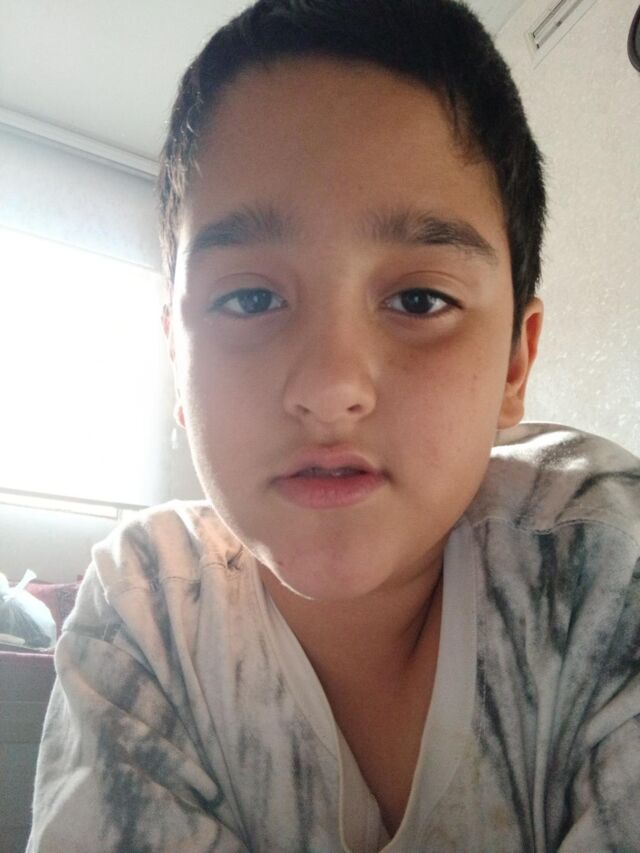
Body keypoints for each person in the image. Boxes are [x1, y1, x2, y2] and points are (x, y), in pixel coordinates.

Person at [28, 0, 640, 850]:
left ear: (514, 363)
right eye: (250, 297)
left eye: (419, 299)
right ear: (176, 359)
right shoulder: (145, 614)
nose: (328, 389)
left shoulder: (605, 568)